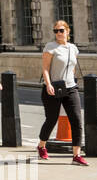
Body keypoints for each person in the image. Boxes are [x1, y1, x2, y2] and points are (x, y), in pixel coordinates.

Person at [37, 20, 87, 166]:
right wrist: (48, 84)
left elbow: (72, 67)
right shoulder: (50, 47)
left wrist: (73, 80)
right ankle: (41, 146)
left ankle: (76, 155)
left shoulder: (73, 48)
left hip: (70, 88)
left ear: (67, 31)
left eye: (61, 30)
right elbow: (45, 68)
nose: (58, 33)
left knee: (77, 120)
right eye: (56, 31)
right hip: (53, 87)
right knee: (51, 119)